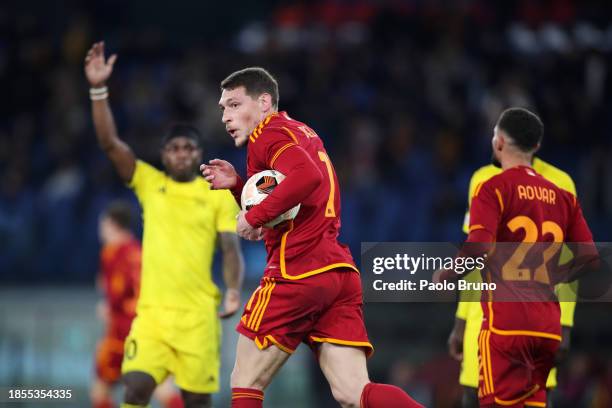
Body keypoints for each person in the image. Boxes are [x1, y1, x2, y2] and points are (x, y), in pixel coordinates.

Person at [201, 67, 423, 408]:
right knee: (354, 393)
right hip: (336, 272)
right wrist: (238, 187)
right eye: (222, 108)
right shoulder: (301, 131)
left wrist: (252, 216)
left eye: (233, 105)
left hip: (297, 272)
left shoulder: (267, 133)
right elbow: (288, 205)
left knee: (245, 380)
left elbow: (307, 178)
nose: (226, 116)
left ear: (263, 102)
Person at [84, 41, 245, 408]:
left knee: (196, 400)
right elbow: (110, 143)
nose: (181, 153)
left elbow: (230, 247)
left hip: (199, 317)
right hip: (152, 315)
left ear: (199, 153)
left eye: (188, 147)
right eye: (174, 148)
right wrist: (98, 89)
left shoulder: (217, 194)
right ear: (163, 155)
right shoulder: (149, 183)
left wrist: (234, 289)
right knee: (136, 387)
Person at [448, 107, 595, 407]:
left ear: (500, 141)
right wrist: (462, 321)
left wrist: (566, 324)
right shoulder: (558, 187)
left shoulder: (488, 184)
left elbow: (475, 250)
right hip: (528, 320)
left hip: (502, 325)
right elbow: (583, 258)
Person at [91, 201, 182, 408]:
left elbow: (117, 295)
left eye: (102, 224)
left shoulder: (114, 253)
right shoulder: (137, 251)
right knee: (161, 387)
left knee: (101, 389)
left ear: (111, 224)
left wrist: (107, 307)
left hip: (124, 331)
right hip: (150, 328)